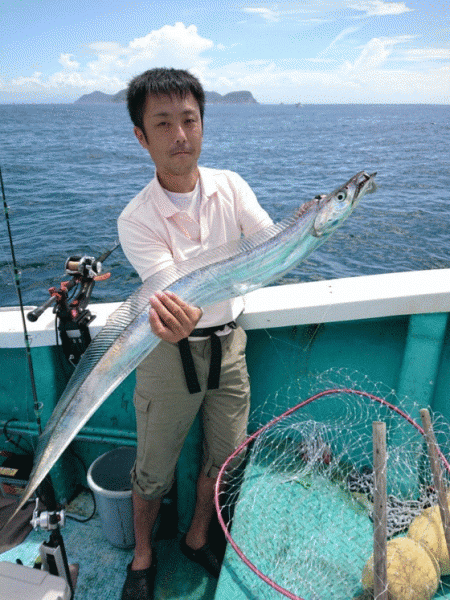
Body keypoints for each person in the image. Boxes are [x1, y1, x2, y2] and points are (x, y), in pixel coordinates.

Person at [117, 67, 273, 600]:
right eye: (163, 123)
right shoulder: (137, 219)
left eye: (189, 119)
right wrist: (179, 316)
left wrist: (302, 228)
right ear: (141, 136)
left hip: (229, 345)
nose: (180, 134)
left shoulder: (232, 186)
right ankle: (142, 555)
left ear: (203, 125)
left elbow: (269, 246)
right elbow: (171, 295)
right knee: (153, 468)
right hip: (168, 350)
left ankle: (197, 536)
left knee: (224, 455)